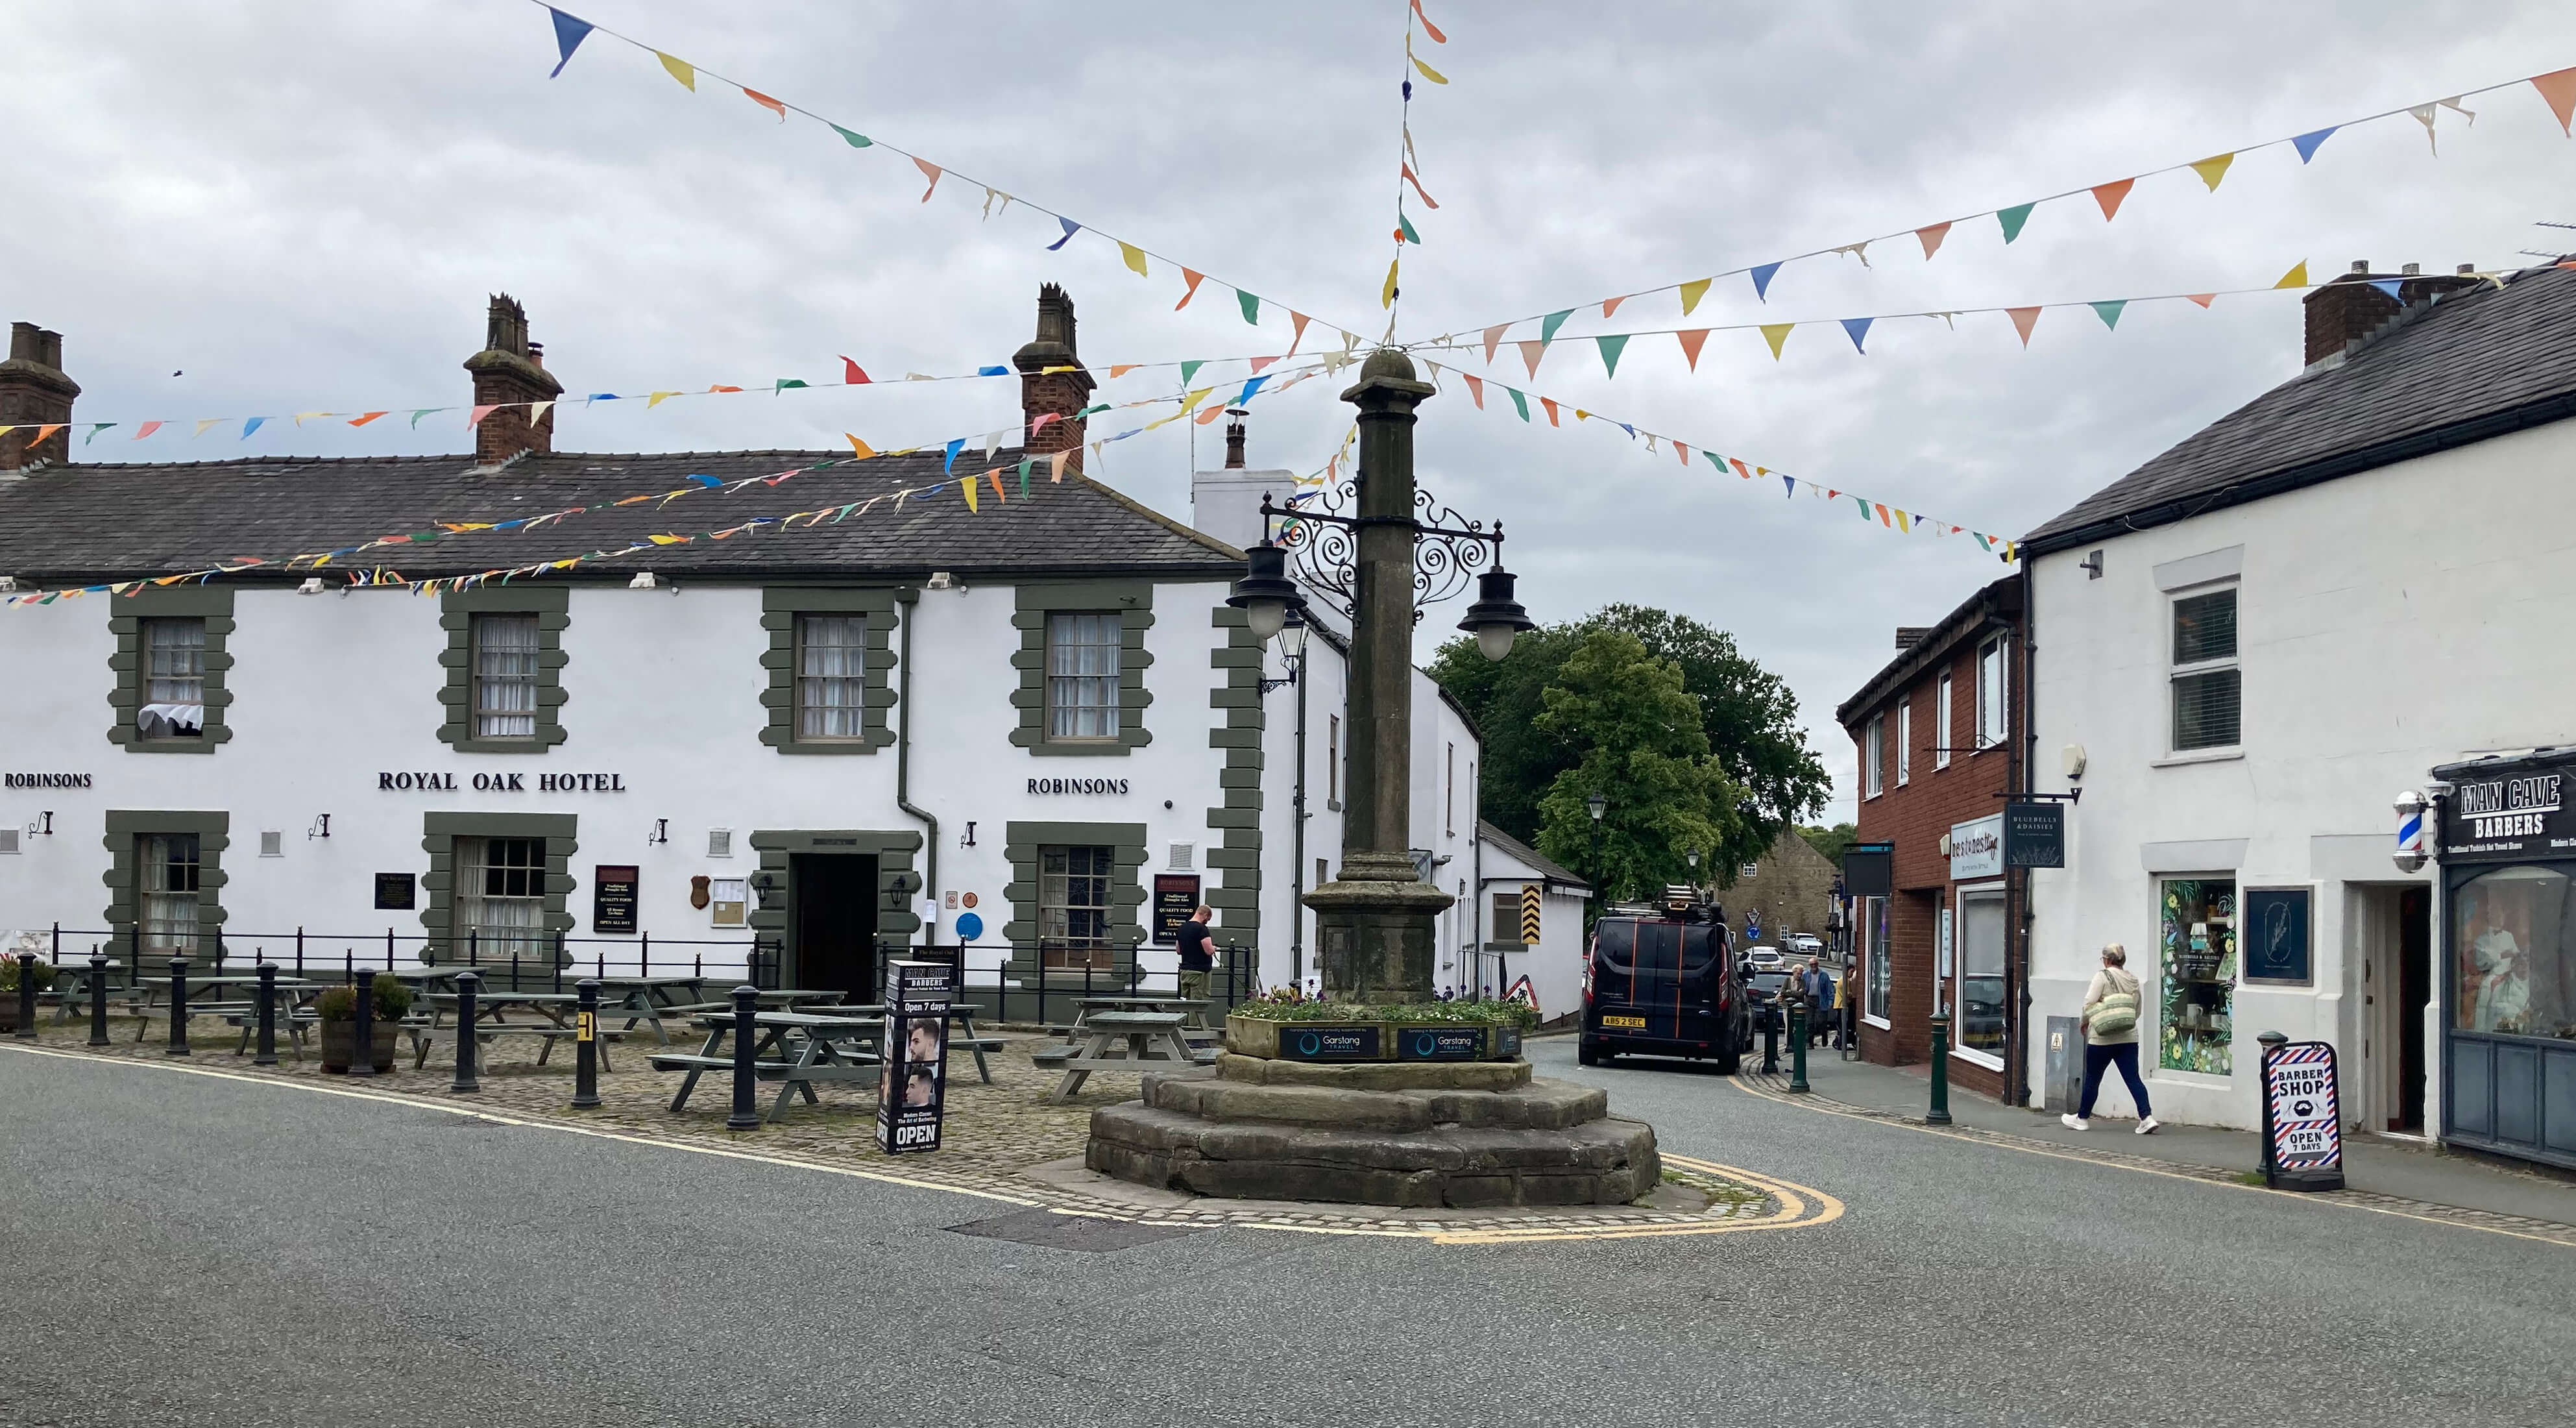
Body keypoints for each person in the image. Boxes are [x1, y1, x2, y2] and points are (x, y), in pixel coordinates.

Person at [2065, 942, 2158, 1134]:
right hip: (2128, 1037)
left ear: (2107, 960)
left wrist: (2085, 1022)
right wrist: (2122, 1022)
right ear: (2122, 960)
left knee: (2093, 1078)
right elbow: (2136, 1010)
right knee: (2133, 1078)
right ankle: (2146, 1117)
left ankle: (2082, 1119)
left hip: (2102, 1039)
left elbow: (2089, 1002)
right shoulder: (2133, 979)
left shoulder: (2102, 976)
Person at [1176, 904, 1215, 1004]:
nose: (1207, 922)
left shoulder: (1182, 928)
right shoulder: (1202, 929)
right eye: (1208, 919)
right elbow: (1209, 951)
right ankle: (1195, 1021)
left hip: (1185, 971)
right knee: (1197, 1003)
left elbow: (1178, 950)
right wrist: (1214, 948)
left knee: (1185, 1001)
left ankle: (1184, 1020)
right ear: (1206, 915)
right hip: (1199, 972)